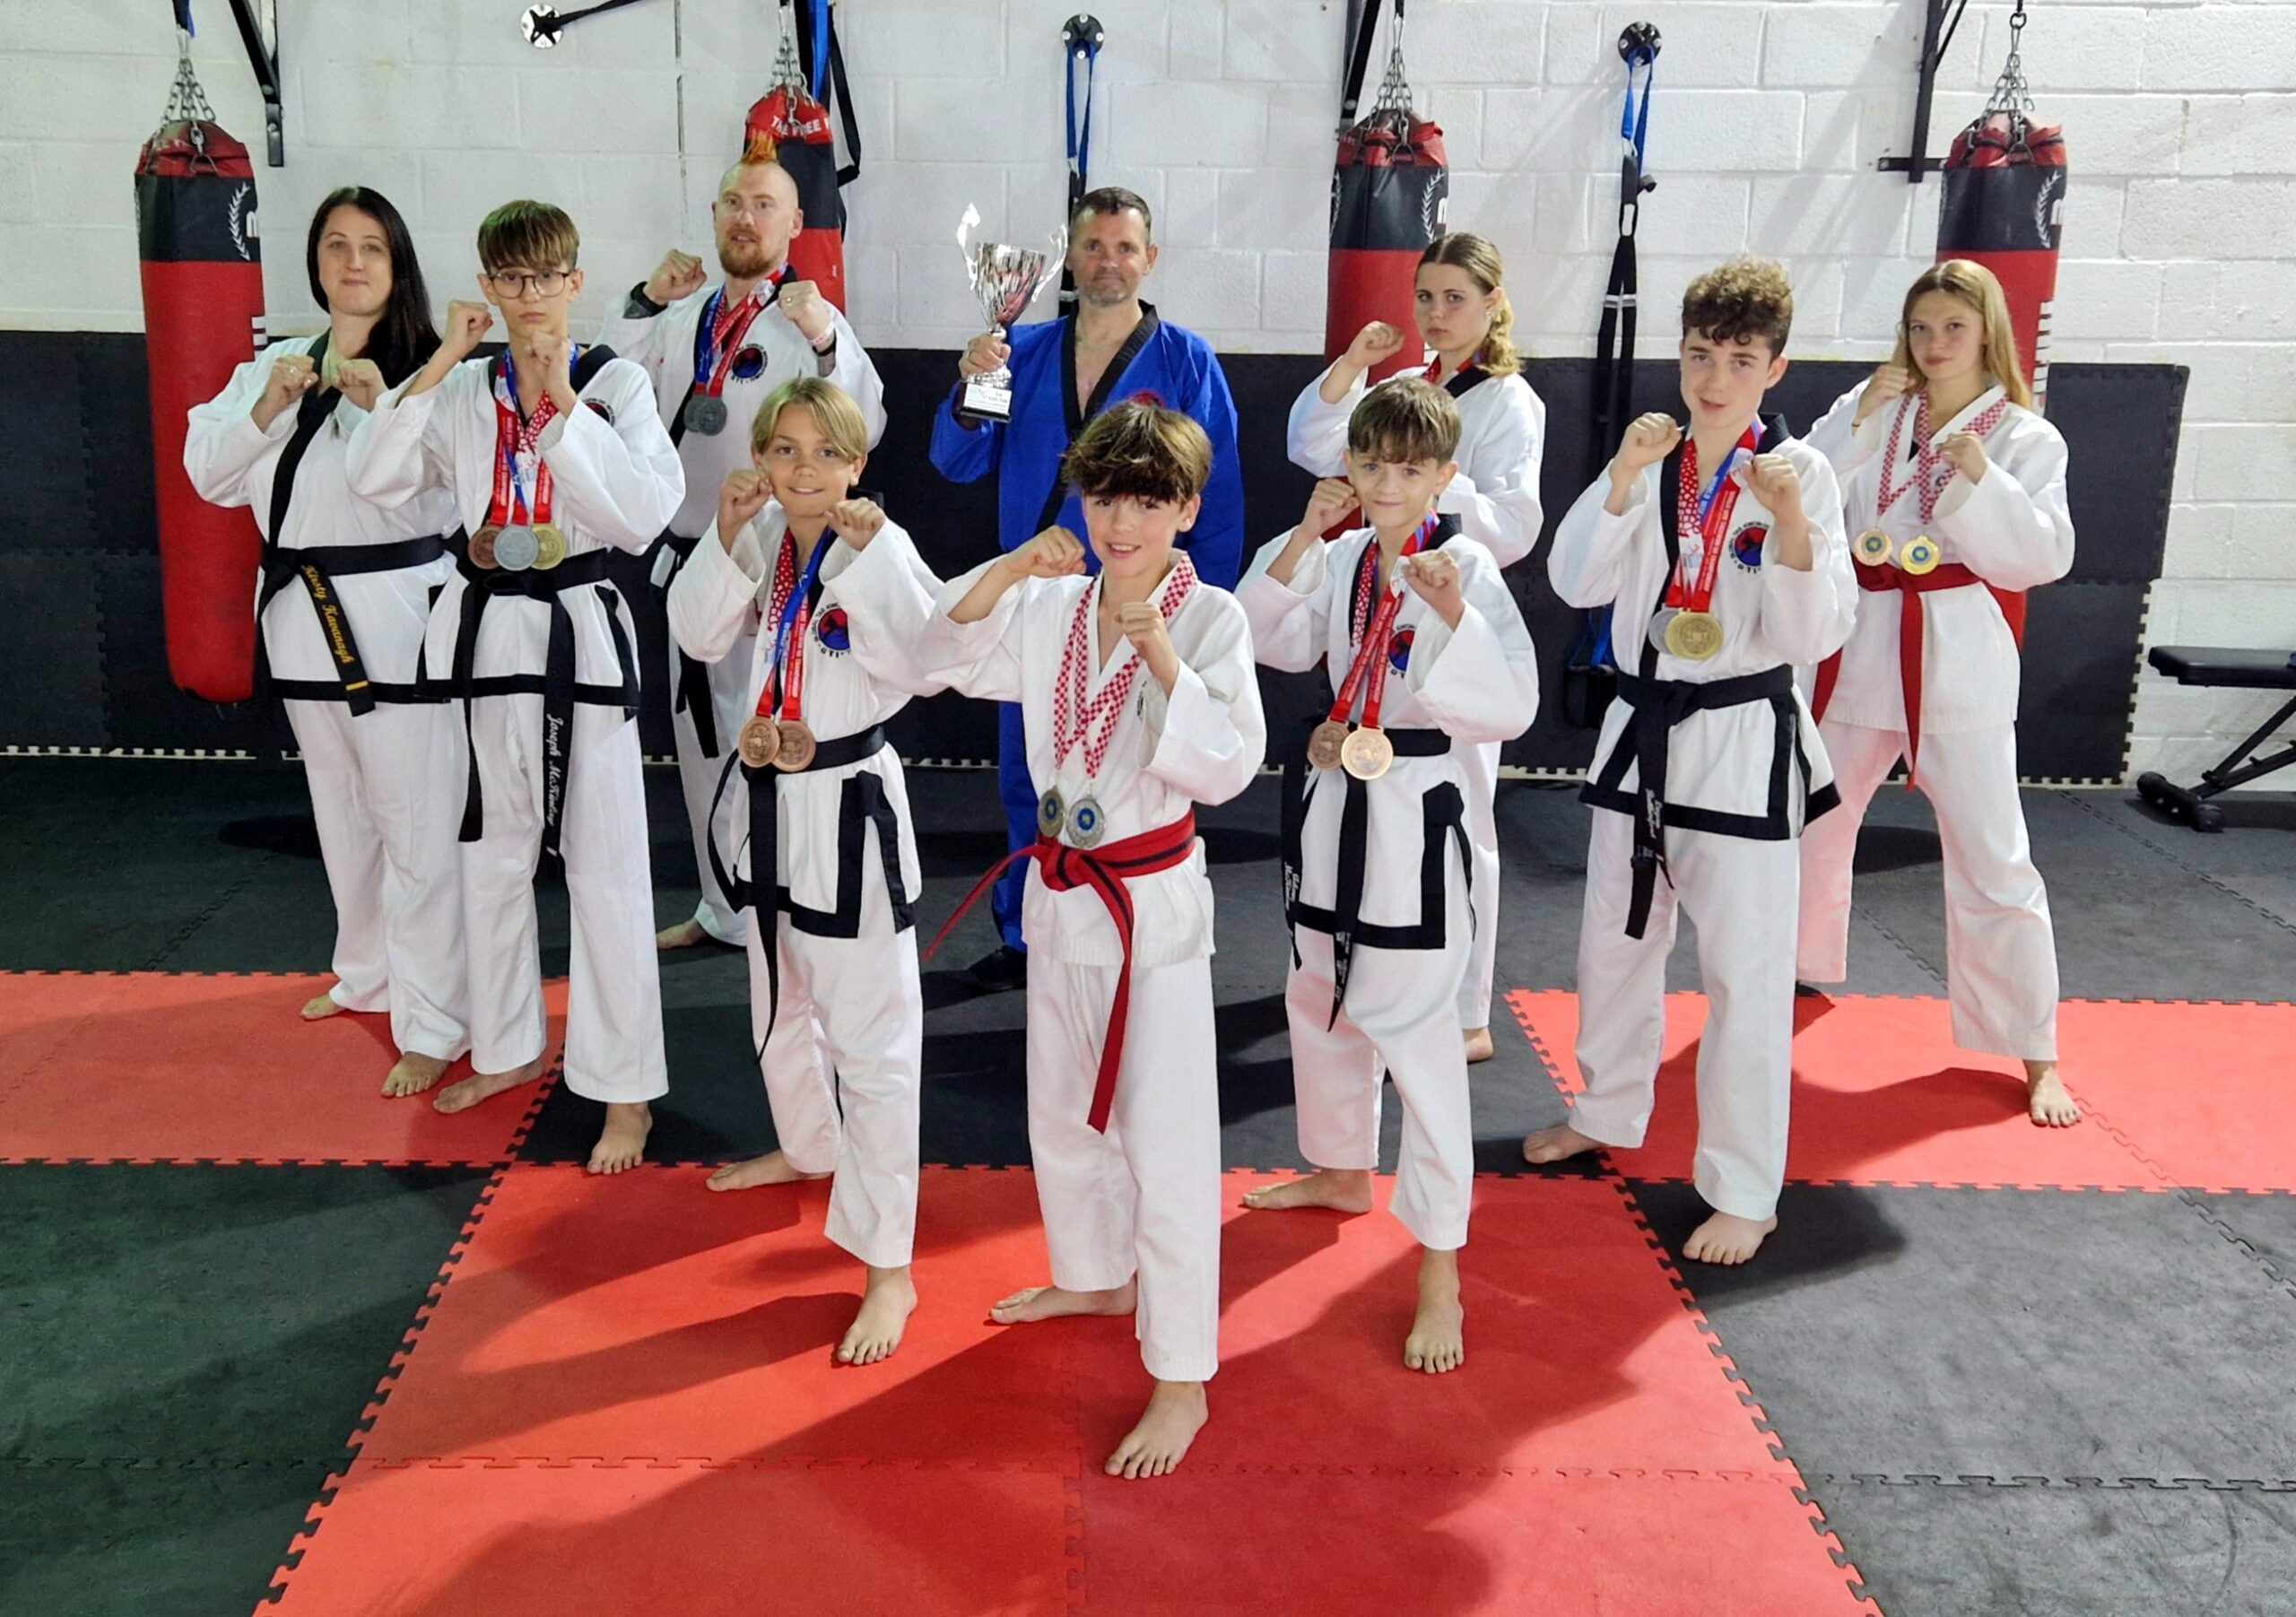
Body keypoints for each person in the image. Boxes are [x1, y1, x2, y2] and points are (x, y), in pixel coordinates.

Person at [921, 401, 1265, 1479]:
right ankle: (1094, 1271)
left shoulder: (1210, 618)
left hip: (1147, 908)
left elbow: (1230, 764)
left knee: (1163, 1145)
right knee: (1063, 1111)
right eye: (1105, 497)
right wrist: (1016, 562)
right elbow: (944, 648)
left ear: (1187, 511)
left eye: (1148, 502)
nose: (1122, 522)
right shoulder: (1054, 606)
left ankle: (1181, 1376)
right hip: (1063, 894)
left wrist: (1160, 654)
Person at [1520, 258, 1856, 1266]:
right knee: (1613, 945)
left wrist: (1790, 522)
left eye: (1740, 360)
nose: (1714, 379)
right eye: (1700, 354)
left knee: (1744, 975)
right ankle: (1607, 1110)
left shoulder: (1801, 475)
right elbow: (1574, 579)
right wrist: (1621, 480)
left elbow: (1818, 630)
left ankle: (1745, 1191)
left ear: (1775, 367)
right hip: (1642, 728)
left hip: (1743, 736)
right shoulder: (1651, 458)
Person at [346, 199, 684, 1175]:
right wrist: (443, 360)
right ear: (488, 284)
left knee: (605, 868)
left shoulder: (616, 382)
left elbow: (638, 517)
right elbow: (376, 480)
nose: (528, 296)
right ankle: (504, 1047)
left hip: (577, 632)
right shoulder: (461, 390)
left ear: (576, 283)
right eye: (510, 278)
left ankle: (626, 1090)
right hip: (486, 631)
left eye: (545, 278)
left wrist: (563, 410)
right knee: (488, 857)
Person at [1238, 378, 1539, 1375]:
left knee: (1414, 1027)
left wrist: (1453, 619)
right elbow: (1261, 637)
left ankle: (1440, 1264)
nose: (1386, 483)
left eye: (1409, 469)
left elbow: (1509, 708)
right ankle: (1335, 1167)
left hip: (1413, 810)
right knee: (1319, 992)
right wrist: (1301, 536)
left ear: (1445, 476)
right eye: (1369, 465)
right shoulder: (1343, 559)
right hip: (1333, 794)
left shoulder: (1466, 567)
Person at [184, 187, 467, 1100]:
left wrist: (381, 403)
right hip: (303, 612)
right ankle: (367, 971)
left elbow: (422, 487)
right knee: (340, 809)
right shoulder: (272, 366)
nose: (353, 263)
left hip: (397, 610)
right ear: (315, 262)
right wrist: (268, 402)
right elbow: (210, 477)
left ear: (398, 265)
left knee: (414, 820)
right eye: (337, 246)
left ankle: (434, 1019)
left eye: (372, 249)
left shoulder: (436, 368)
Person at [929, 186, 1246, 993]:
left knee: (1133, 769)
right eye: (1094, 247)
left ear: (1150, 259)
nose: (1109, 261)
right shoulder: (1022, 350)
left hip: (1139, 607)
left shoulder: (1185, 360)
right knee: (1025, 770)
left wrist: (1192, 608)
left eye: (1125, 247)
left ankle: (1125, 913)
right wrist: (972, 385)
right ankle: (1028, 926)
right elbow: (957, 463)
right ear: (1070, 259)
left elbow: (1219, 491)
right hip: (1043, 598)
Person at [1796, 260, 2080, 1129]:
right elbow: (1795, 485)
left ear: (1987, 331)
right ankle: (1792, 972)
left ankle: (2034, 1050)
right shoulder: (1874, 406)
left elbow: (2041, 559)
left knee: (1994, 854)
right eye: (1920, 327)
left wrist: (1977, 478)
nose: (1934, 344)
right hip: (1860, 636)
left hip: (1956, 650)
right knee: (1810, 824)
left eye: (1953, 327)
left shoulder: (2025, 439)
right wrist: (1856, 420)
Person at [604, 153, 887, 955]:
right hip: (691, 552)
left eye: (764, 204)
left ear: (795, 225)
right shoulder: (685, 314)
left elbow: (864, 423)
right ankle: (724, 905)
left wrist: (825, 335)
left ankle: (788, 906)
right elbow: (603, 391)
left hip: (779, 562)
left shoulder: (809, 320)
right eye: (733, 201)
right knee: (701, 745)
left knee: (771, 730)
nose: (744, 216)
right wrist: (643, 299)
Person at [1284, 232, 1548, 1062]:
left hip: (1451, 599)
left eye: (1456, 299)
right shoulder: (1403, 380)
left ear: (1494, 303)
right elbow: (1315, 446)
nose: (1437, 314)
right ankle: (1368, 960)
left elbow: (1517, 524)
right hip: (1373, 586)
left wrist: (1435, 478)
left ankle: (1467, 1007)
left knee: (1465, 818)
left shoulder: (1511, 401)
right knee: (1376, 813)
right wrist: (1355, 363)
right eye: (1425, 297)